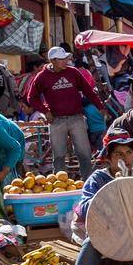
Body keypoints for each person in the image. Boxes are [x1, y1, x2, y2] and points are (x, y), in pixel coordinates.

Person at [71, 129, 133, 265]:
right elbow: (85, 208)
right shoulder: (98, 178)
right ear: (108, 158)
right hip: (107, 230)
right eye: (119, 154)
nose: (125, 158)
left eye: (129, 153)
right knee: (91, 242)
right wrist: (111, 194)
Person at [23, 46, 107, 176]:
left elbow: (88, 91)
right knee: (59, 155)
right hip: (56, 120)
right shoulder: (42, 77)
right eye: (62, 59)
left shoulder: (73, 72)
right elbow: (31, 97)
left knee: (84, 153)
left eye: (66, 58)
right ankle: (60, 182)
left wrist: (100, 107)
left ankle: (87, 180)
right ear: (53, 60)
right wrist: (45, 111)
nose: (66, 61)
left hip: (77, 118)